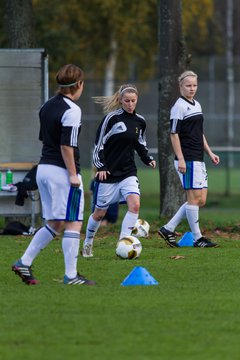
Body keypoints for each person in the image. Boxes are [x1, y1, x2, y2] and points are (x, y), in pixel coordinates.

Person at [12, 64, 95, 285]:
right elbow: (66, 146)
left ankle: (24, 262)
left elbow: (45, 139)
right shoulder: (73, 109)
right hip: (61, 173)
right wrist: (73, 174)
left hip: (44, 170)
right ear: (79, 84)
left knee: (55, 223)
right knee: (73, 223)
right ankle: (71, 276)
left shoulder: (46, 105)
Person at [82, 84, 156, 257]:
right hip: (108, 173)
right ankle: (88, 242)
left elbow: (140, 144)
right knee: (99, 214)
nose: (130, 104)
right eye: (127, 101)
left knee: (135, 205)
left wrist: (147, 159)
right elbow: (98, 145)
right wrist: (101, 167)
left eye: (133, 101)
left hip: (128, 171)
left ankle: (123, 242)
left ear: (137, 100)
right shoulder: (111, 119)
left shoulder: (140, 121)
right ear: (120, 100)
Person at [158, 70, 220, 248]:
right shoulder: (178, 107)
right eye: (188, 85)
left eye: (194, 85)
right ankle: (198, 238)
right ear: (181, 86)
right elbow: (173, 134)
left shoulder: (197, 105)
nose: (192, 88)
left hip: (198, 157)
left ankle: (168, 228)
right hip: (187, 158)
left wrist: (209, 152)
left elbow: (199, 133)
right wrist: (181, 158)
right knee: (193, 199)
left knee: (201, 200)